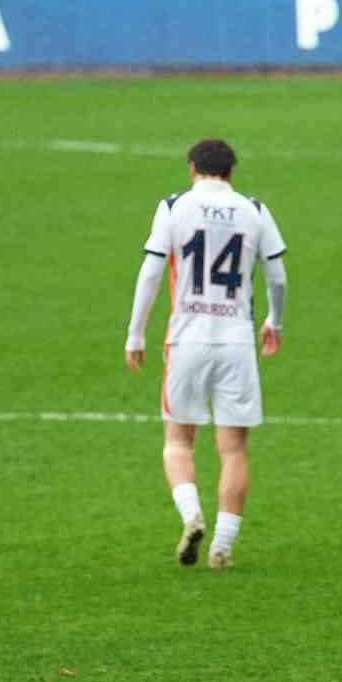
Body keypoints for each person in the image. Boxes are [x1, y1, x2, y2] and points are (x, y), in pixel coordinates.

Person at [124, 139, 288, 569]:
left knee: (178, 440)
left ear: (193, 168)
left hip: (186, 339)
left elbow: (151, 271)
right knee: (233, 449)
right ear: (231, 172)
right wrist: (275, 320)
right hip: (236, 340)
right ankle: (223, 546)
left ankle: (190, 512)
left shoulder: (174, 207)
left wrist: (135, 333)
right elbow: (278, 276)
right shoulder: (253, 209)